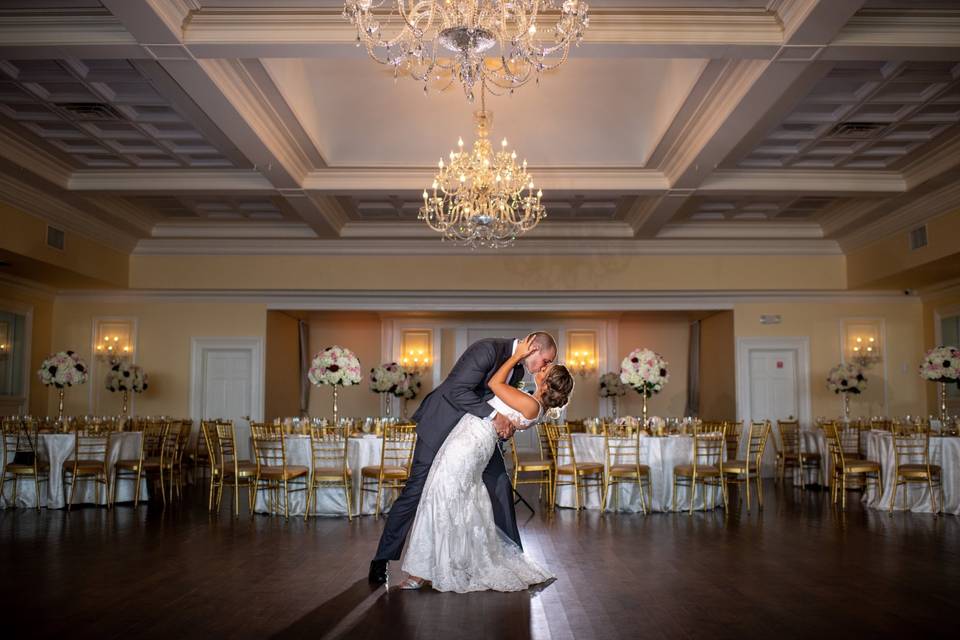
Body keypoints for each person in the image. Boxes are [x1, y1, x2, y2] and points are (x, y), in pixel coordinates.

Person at [368, 332, 558, 585]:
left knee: (500, 485)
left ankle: (512, 557)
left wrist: (505, 425)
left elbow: (504, 404)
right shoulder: (487, 349)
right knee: (416, 490)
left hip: (474, 437)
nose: (545, 367)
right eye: (545, 360)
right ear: (533, 348)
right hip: (442, 425)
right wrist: (494, 417)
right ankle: (382, 559)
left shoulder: (519, 372)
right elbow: (457, 391)